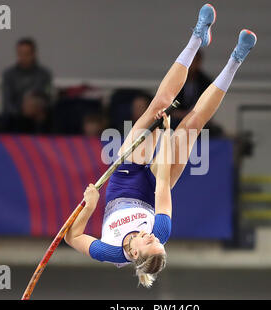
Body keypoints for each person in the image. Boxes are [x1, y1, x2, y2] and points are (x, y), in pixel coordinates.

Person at [64, 4, 256, 287]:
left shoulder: (110, 251)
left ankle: (198, 39)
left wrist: (90, 207)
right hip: (154, 185)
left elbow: (72, 237)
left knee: (158, 106)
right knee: (190, 125)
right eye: (157, 242)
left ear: (133, 254)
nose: (154, 237)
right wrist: (165, 134)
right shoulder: (161, 230)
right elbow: (163, 181)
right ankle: (235, 59)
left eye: (149, 243)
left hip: (125, 177)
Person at [1, 38, 52, 132]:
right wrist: (22, 111)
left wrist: (36, 108)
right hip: (16, 116)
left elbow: (48, 97)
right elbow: (7, 102)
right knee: (6, 118)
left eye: (27, 54)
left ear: (33, 54)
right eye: (20, 54)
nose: (23, 57)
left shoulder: (44, 74)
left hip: (38, 115)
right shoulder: (9, 74)